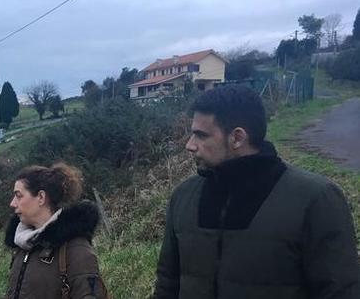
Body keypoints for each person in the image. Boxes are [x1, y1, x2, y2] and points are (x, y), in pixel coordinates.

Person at [153, 84, 360, 298]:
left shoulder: (316, 199)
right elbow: (167, 283)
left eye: (201, 135)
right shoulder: (184, 196)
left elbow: (341, 291)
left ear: (238, 138)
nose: (190, 145)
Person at [5, 162, 110, 299]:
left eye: (19, 195)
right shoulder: (22, 245)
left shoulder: (76, 250)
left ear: (41, 197)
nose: (12, 203)